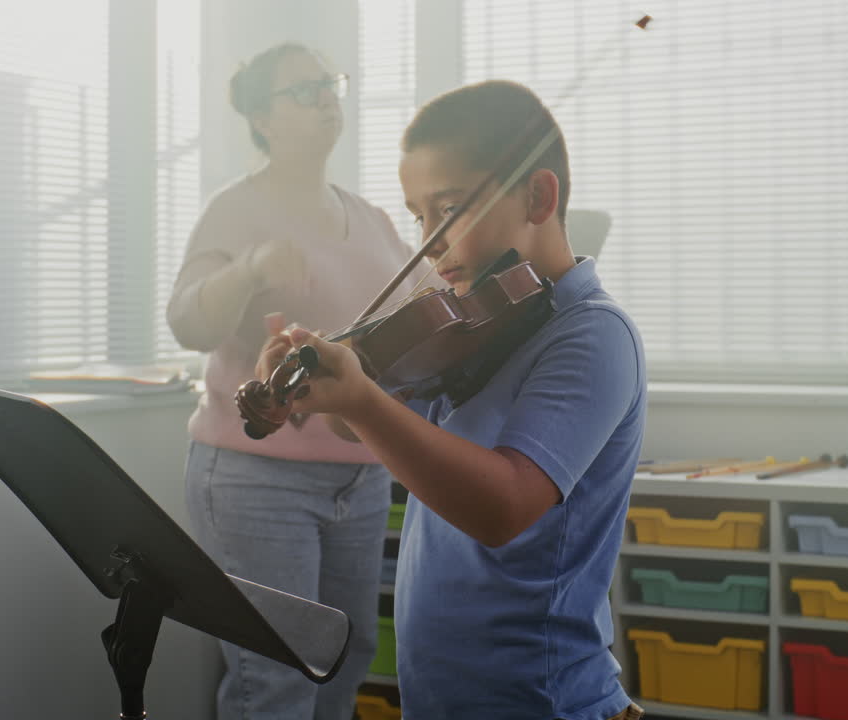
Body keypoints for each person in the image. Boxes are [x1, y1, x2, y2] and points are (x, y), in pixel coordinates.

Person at [254, 80, 648, 720]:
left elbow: (504, 506)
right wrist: (324, 389)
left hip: (542, 700)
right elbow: (373, 425)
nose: (428, 243)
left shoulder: (592, 335)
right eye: (417, 215)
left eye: (449, 209)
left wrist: (358, 401)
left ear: (538, 196)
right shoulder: (473, 331)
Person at [166, 42, 425, 720]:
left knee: (348, 658)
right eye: (302, 89)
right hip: (257, 479)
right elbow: (187, 320)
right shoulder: (234, 209)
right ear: (261, 118)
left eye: (328, 83)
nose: (324, 96)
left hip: (360, 478)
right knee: (275, 678)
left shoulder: (368, 218)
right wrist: (250, 268)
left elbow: (424, 308)